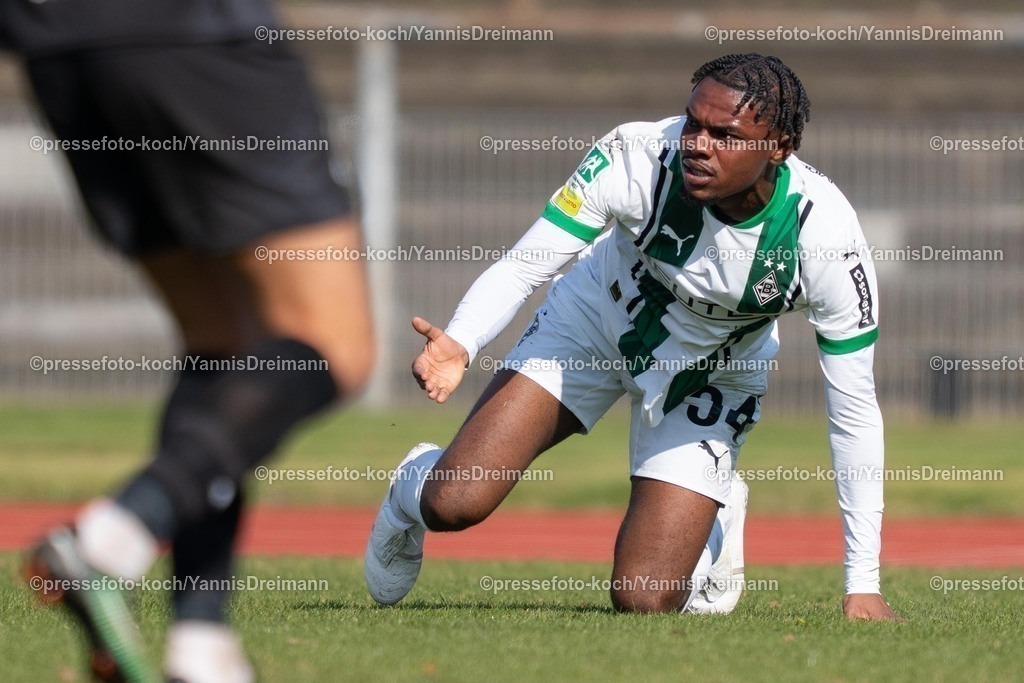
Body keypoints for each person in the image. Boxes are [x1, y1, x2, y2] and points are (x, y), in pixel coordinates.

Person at [366, 53, 902, 621]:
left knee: (645, 598)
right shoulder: (634, 155)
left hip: (709, 375)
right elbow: (527, 264)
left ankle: (713, 513)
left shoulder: (826, 238)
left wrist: (862, 582)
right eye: (693, 122)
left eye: (726, 134)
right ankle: (411, 487)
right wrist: (463, 341)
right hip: (593, 327)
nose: (698, 143)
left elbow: (854, 408)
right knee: (455, 504)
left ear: (780, 145)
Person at [2, 1, 374, 680]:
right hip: (194, 32)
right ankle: (115, 534)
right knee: (333, 344)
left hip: (59, 48)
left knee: (220, 340)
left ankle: (199, 641)